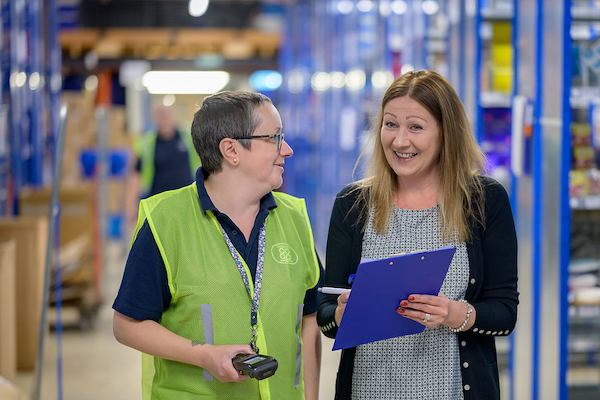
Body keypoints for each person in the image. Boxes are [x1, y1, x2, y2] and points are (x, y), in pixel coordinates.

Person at [317, 70, 518, 400]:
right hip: (368, 390)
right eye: (390, 124)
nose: (399, 141)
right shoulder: (352, 204)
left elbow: (504, 312)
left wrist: (454, 314)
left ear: (446, 134)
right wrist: (341, 312)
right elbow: (325, 312)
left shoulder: (484, 200)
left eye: (416, 127)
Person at [113, 91, 322, 400]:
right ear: (231, 150)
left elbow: (309, 318)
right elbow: (128, 324)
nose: (287, 150)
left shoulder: (294, 219)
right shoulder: (166, 223)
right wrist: (203, 355)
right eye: (274, 138)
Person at [125, 104, 200, 222]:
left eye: (167, 116)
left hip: (186, 202)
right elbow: (135, 175)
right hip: (158, 203)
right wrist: (131, 204)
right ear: (155, 119)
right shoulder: (147, 143)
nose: (165, 120)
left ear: (174, 117)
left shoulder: (188, 138)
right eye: (161, 116)